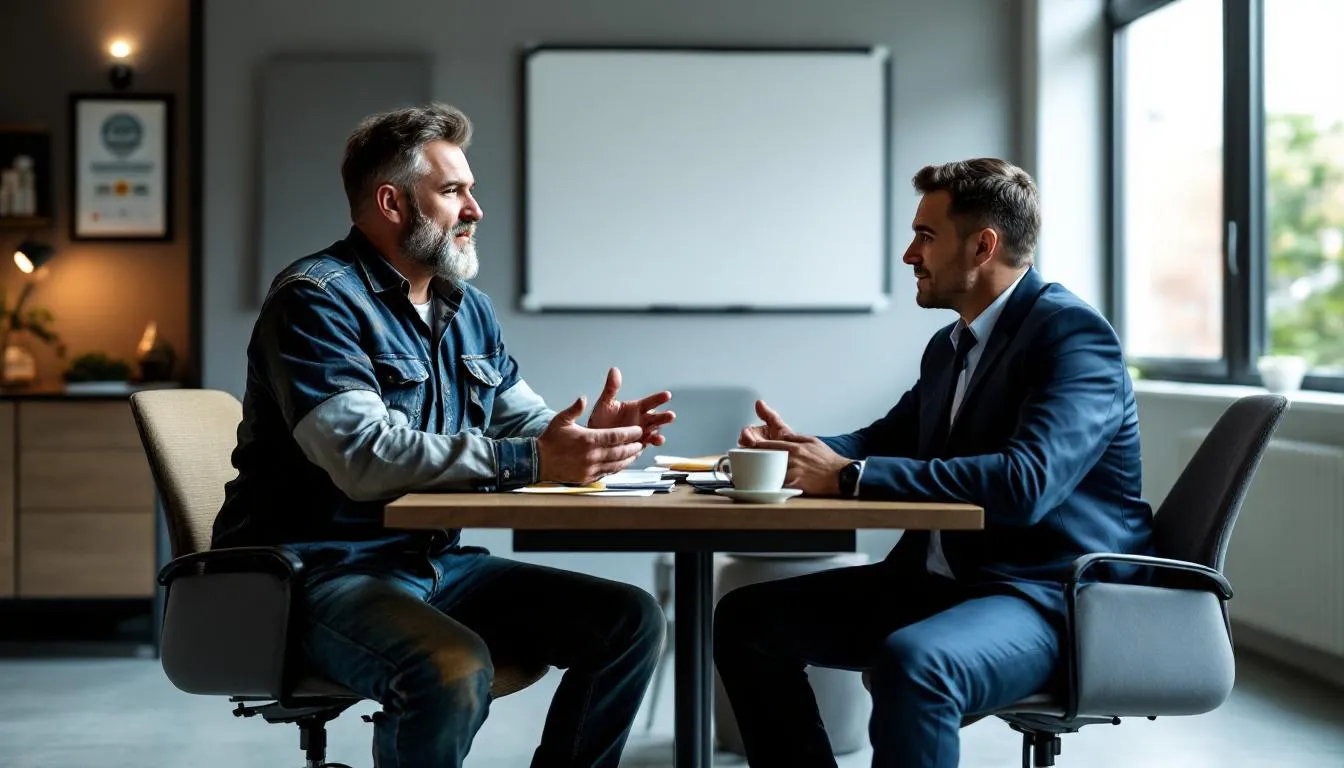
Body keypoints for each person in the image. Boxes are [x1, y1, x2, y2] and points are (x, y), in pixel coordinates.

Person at [212, 102, 674, 768]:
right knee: (451, 665)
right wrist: (537, 459)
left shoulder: (465, 306)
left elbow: (519, 419)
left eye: (470, 189)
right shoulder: (316, 300)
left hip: (432, 562)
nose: (475, 208)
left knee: (629, 621)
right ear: (392, 202)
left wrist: (580, 439)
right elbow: (364, 459)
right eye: (454, 190)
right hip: (319, 571)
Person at [712, 158, 1154, 767]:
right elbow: (886, 438)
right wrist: (803, 454)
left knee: (916, 663)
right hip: (941, 585)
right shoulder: (952, 346)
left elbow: (1028, 483)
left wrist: (845, 478)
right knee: (747, 619)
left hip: (1046, 595)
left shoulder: (1072, 336)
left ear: (983, 245)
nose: (908, 255)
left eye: (925, 235)